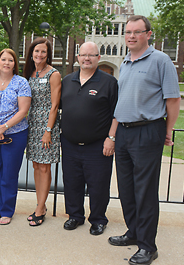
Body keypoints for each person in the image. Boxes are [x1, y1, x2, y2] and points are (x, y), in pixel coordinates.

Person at [108, 15, 180, 265]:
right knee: (126, 189)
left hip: (148, 130)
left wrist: (167, 131)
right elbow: (120, 103)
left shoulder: (161, 60)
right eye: (128, 32)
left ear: (148, 34)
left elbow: (173, 100)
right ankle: (134, 232)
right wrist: (114, 134)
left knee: (145, 191)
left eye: (137, 32)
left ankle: (148, 246)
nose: (131, 36)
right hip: (125, 133)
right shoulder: (126, 61)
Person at [60, 42, 118, 235]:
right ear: (78, 57)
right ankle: (75, 216)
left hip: (98, 146)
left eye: (91, 55)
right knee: (72, 182)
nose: (87, 58)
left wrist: (111, 137)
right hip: (69, 144)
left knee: (98, 185)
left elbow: (117, 113)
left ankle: (98, 219)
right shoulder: (67, 81)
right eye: (83, 55)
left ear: (98, 58)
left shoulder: (109, 82)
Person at [0, 48, 31, 225]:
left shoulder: (22, 83)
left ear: (14, 64)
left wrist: (5, 127)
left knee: (9, 173)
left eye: (10, 60)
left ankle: (7, 210)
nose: (7, 63)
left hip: (15, 134)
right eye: (4, 59)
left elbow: (23, 110)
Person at [23, 37, 61, 226]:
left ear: (48, 54)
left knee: (45, 166)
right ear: (31, 53)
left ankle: (40, 208)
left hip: (47, 124)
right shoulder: (30, 73)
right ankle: (41, 204)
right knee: (36, 166)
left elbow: (55, 106)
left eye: (43, 52)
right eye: (37, 51)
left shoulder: (53, 74)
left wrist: (48, 130)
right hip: (32, 124)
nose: (39, 55)